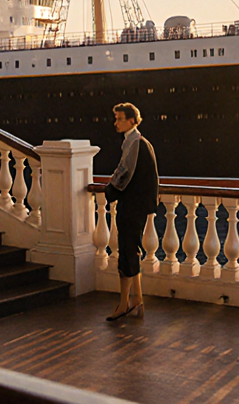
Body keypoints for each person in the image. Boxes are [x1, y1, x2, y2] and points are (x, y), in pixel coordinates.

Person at [103, 102, 159, 322]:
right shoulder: (139, 142)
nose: (115, 122)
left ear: (131, 120)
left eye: (119, 118)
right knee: (131, 250)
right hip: (138, 206)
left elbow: (124, 172)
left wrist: (110, 191)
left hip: (131, 206)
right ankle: (136, 300)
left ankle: (124, 303)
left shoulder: (134, 143)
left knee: (126, 252)